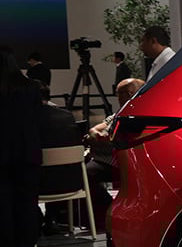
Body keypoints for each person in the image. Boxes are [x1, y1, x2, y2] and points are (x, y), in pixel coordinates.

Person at [84, 77, 145, 229]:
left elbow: (119, 140)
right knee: (81, 170)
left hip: (121, 161)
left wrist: (101, 139)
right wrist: (94, 133)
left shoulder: (140, 115)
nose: (117, 97)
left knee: (85, 174)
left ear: (130, 93)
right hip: (105, 157)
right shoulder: (120, 113)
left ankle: (106, 213)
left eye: (119, 93)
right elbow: (98, 128)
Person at [0, 45, 42, 247]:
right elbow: (38, 120)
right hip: (27, 151)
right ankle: (25, 246)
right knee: (27, 200)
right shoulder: (31, 87)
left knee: (2, 202)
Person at [31, 80, 83, 234]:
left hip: (39, 186)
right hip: (72, 182)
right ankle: (51, 219)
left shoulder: (27, 119)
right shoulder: (67, 115)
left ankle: (33, 220)